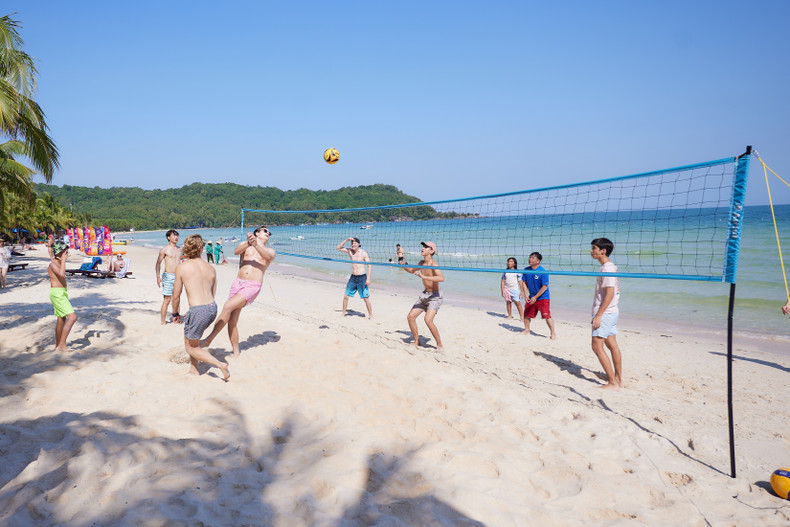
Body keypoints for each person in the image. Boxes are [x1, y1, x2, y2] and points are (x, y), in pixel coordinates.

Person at [200, 226, 276, 357]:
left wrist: (256, 244)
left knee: (228, 306)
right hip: (237, 283)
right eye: (265, 231)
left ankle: (208, 339)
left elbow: (267, 257)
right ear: (256, 233)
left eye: (269, 232)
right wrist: (248, 243)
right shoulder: (245, 245)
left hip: (253, 285)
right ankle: (236, 352)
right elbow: (236, 252)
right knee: (232, 320)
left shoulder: (270, 250)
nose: (268, 233)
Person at [171, 235, 229, 381]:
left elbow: (176, 295)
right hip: (211, 307)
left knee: (191, 347)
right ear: (201, 248)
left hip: (199, 309)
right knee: (192, 340)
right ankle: (194, 370)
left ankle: (220, 365)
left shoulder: (182, 267)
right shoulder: (210, 268)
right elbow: (212, 292)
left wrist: (175, 313)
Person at [590, 238, 622, 390]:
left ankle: (613, 383)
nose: (591, 251)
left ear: (603, 251)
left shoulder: (607, 268)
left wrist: (599, 315)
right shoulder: (610, 267)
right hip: (612, 311)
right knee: (612, 345)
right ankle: (618, 380)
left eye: (594, 248)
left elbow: (610, 293)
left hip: (606, 313)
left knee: (597, 347)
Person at [404, 241, 444, 350]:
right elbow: (412, 270)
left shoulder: (434, 265)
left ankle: (439, 344)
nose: (423, 248)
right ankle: (417, 341)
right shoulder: (421, 263)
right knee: (410, 317)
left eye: (426, 247)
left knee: (428, 320)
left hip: (435, 296)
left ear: (431, 251)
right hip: (425, 294)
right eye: (423, 246)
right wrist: (403, 264)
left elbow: (441, 278)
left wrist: (424, 277)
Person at [47, 239, 78, 352]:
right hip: (57, 294)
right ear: (59, 252)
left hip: (61, 293)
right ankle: (62, 345)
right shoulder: (53, 264)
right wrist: (63, 260)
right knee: (73, 317)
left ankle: (57, 346)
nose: (67, 252)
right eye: (65, 250)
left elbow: (51, 252)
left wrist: (61, 259)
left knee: (61, 319)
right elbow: (62, 274)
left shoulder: (56, 261)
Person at [520, 252, 557, 339]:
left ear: (538, 261)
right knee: (526, 314)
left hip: (543, 297)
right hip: (531, 296)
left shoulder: (543, 271)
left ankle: (553, 333)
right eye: (529, 257)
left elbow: (544, 286)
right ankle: (527, 330)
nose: (530, 259)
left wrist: (536, 297)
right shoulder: (526, 270)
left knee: (547, 316)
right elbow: (524, 283)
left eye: (533, 258)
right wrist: (526, 294)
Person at [337, 237, 373, 318]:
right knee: (346, 296)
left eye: (355, 243)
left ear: (359, 244)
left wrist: (368, 278)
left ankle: (370, 315)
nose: (353, 244)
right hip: (353, 277)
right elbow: (338, 248)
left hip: (362, 278)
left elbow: (369, 265)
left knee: (366, 298)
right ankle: (343, 313)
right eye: (352, 243)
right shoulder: (350, 251)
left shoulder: (363, 253)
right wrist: (346, 240)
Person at [155, 229, 181, 325]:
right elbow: (158, 263)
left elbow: (183, 260)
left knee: (177, 298)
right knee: (167, 300)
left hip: (178, 276)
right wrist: (158, 277)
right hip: (168, 276)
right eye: (174, 235)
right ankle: (163, 321)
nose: (176, 237)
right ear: (168, 237)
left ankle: (177, 319)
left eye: (177, 235)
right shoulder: (164, 250)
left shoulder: (179, 249)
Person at [501, 257, 524, 321]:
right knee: (508, 302)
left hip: (515, 289)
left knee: (517, 303)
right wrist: (502, 290)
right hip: (507, 289)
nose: (509, 263)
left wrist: (522, 291)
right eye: (508, 261)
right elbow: (502, 281)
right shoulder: (505, 271)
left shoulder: (517, 272)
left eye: (511, 261)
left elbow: (520, 282)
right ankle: (510, 315)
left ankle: (522, 317)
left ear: (514, 263)